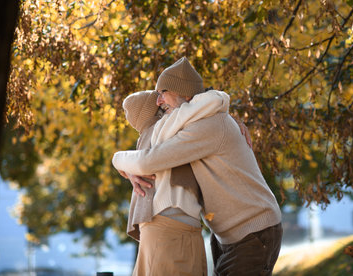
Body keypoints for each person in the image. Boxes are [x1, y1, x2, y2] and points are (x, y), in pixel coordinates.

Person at [113, 57, 283, 276]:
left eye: (162, 92)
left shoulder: (207, 125)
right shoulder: (202, 120)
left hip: (253, 230)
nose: (158, 101)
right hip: (227, 234)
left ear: (183, 92)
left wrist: (117, 159)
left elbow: (148, 161)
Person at [119, 90, 207, 275]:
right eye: (157, 99)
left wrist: (118, 160)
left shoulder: (148, 137)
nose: (161, 100)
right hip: (170, 226)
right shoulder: (162, 130)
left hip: (168, 227)